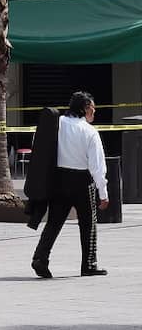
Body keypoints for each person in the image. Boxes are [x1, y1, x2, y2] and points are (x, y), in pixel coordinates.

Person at [31, 91, 109, 278]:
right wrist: (103, 193)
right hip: (82, 181)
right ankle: (89, 264)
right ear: (84, 108)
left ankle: (40, 258)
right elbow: (97, 166)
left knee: (54, 223)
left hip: (59, 178)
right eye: (92, 108)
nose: (94, 112)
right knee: (88, 224)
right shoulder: (90, 131)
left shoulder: (57, 124)